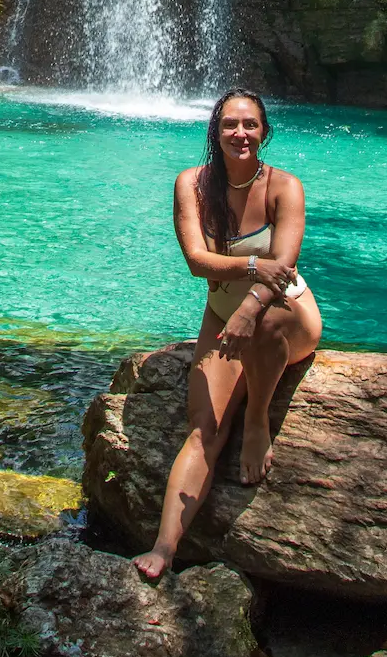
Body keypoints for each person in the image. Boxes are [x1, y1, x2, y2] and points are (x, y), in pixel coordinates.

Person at [132, 88, 322, 581]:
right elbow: (197, 262)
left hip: (286, 314)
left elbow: (286, 268)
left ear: (264, 132)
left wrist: (250, 305)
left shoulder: (285, 187)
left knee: (269, 322)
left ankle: (257, 419)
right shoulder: (191, 184)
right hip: (222, 312)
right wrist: (253, 272)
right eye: (230, 125)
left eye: (250, 125)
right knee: (205, 431)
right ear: (215, 133)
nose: (241, 134)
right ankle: (164, 547)